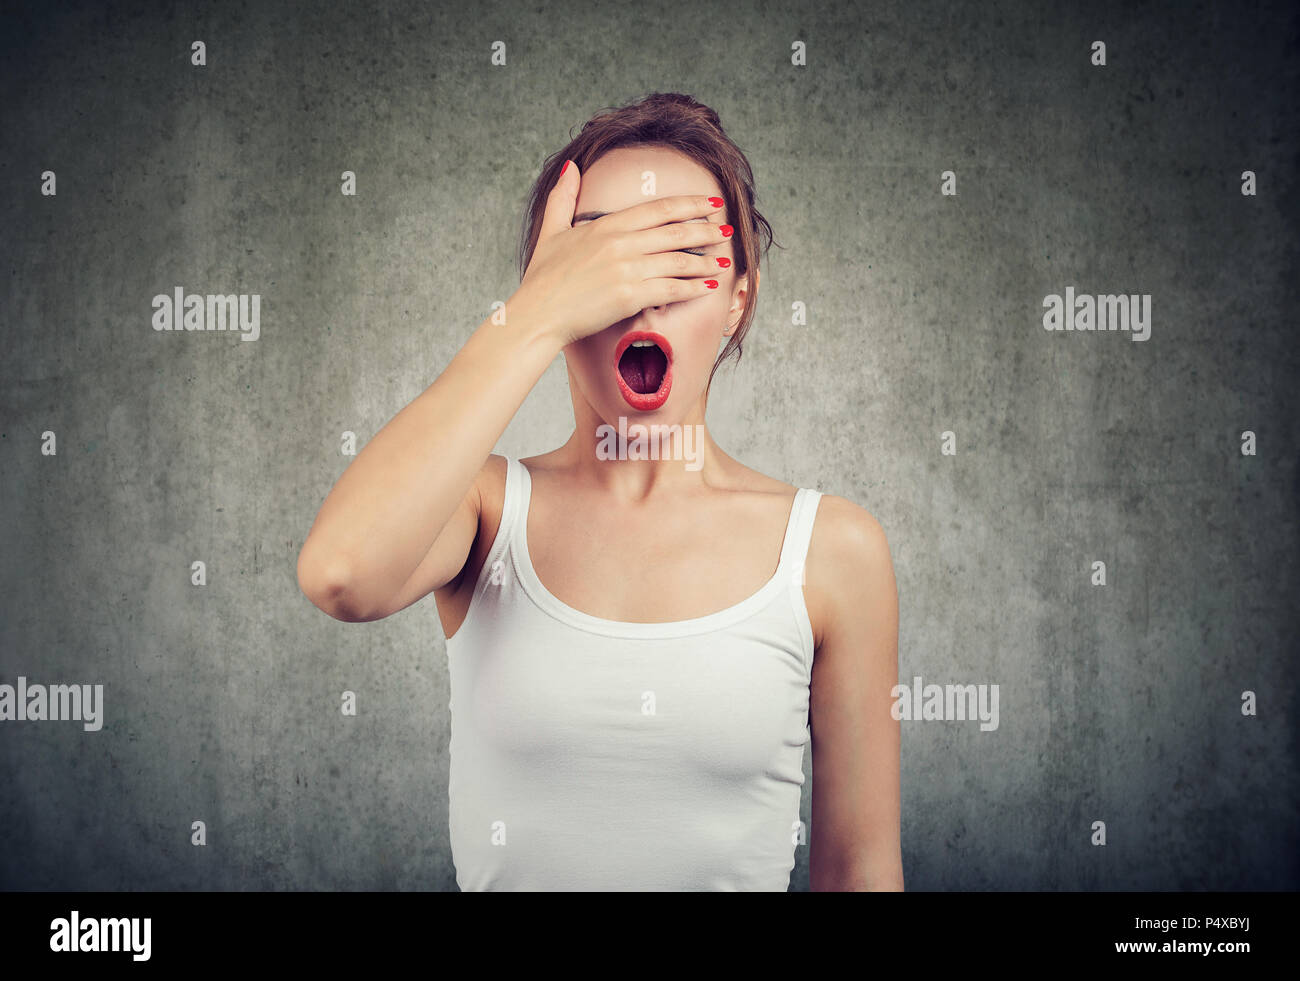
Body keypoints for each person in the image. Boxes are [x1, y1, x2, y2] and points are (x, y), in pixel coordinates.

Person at [297, 92, 902, 891]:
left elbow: (859, 870)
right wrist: (537, 311)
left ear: (738, 299)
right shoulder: (483, 513)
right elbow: (342, 572)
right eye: (603, 258)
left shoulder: (833, 550)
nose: (639, 294)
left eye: (681, 254)